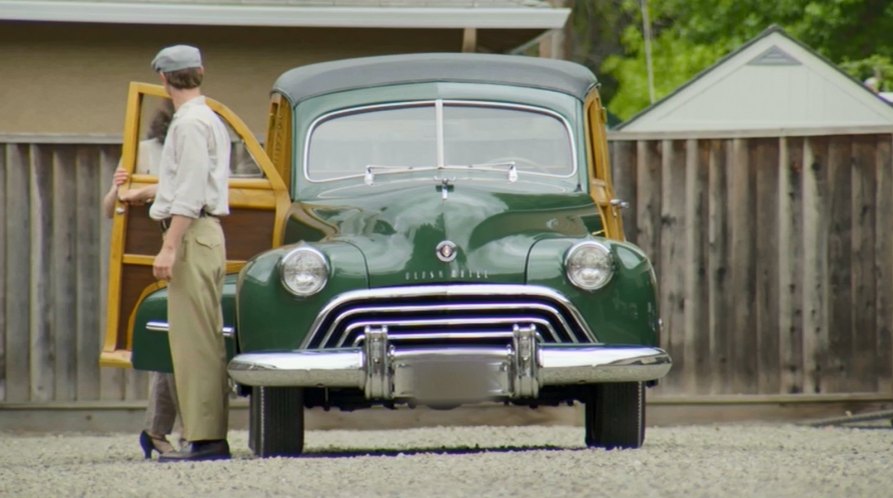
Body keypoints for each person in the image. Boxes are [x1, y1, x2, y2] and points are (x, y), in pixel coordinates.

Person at [143, 44, 232, 462]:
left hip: (192, 233)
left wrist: (169, 244)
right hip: (203, 232)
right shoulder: (207, 118)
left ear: (163, 79)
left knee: (194, 343)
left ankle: (205, 439)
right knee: (202, 338)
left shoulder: (189, 124)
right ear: (201, 71)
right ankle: (205, 435)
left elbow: (192, 191)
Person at [102, 103, 183, 459]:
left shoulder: (206, 150)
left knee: (186, 344)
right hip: (148, 253)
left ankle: (165, 430)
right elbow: (110, 208)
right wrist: (119, 188)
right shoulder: (144, 152)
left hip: (192, 246)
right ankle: (167, 430)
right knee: (167, 342)